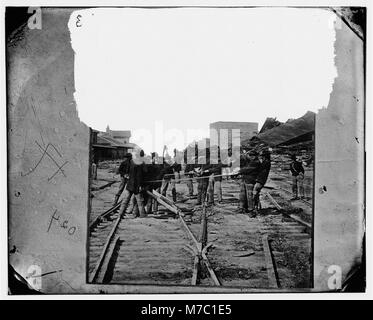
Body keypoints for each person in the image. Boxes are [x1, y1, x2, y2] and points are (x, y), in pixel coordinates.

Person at [118, 154, 147, 218]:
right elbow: (140, 176)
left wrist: (126, 176)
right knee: (140, 201)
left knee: (125, 200)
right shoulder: (140, 164)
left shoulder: (130, 162)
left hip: (130, 184)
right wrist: (140, 186)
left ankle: (120, 214)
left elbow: (126, 172)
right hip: (136, 185)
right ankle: (142, 215)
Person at [238, 150, 261, 215]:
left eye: (253, 155)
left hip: (251, 181)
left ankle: (251, 209)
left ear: (255, 156)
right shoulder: (250, 161)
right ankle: (242, 208)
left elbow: (247, 169)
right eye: (250, 155)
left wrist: (240, 171)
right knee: (243, 195)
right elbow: (245, 167)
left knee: (250, 196)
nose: (251, 157)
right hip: (245, 179)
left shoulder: (256, 162)